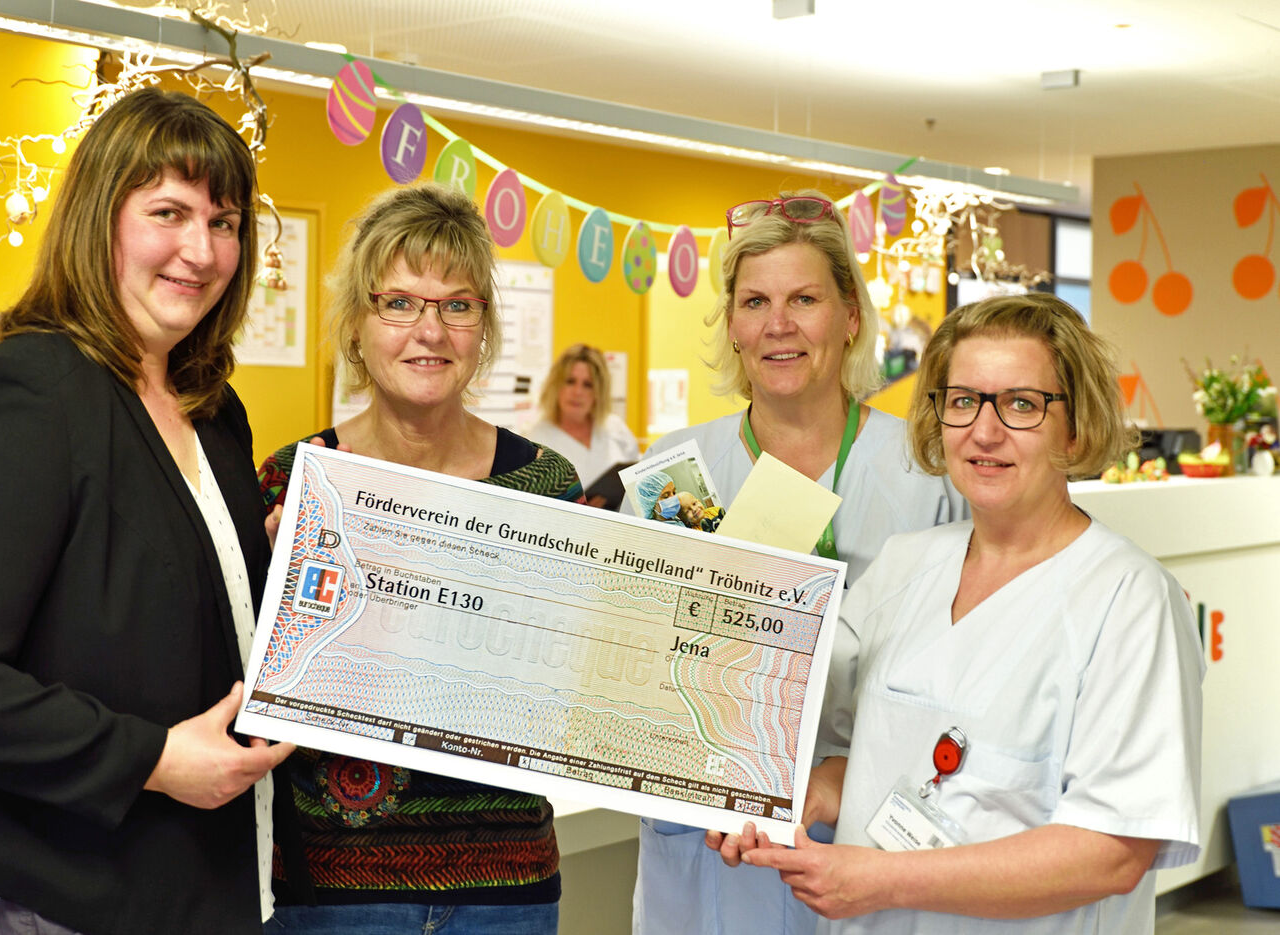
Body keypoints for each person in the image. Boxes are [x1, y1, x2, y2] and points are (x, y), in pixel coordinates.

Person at [0, 88, 293, 935]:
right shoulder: (26, 395)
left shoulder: (211, 409)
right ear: (96, 219)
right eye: (168, 212)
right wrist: (151, 759)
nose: (201, 249)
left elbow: (144, 596)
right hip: (47, 897)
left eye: (225, 223)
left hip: (196, 884)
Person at [740, 293, 1204, 934]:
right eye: (962, 401)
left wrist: (878, 881)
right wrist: (810, 792)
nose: (985, 432)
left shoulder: (1128, 601)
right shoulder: (904, 568)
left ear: (1075, 425)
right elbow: (870, 743)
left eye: (1021, 404)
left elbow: (1113, 852)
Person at [629, 191, 965, 935]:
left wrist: (840, 777)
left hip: (865, 831)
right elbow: (631, 662)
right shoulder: (675, 473)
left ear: (849, 316)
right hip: (709, 849)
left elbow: (964, 676)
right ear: (731, 325)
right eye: (754, 301)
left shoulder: (927, 472)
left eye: (803, 298)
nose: (777, 324)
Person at [255, 182, 582, 934]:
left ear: (482, 328)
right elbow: (242, 689)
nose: (428, 330)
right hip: (335, 895)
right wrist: (288, 603)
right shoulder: (291, 483)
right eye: (398, 302)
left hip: (509, 890)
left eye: (456, 305)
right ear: (357, 326)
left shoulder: (546, 486)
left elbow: (572, 694)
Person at [526, 343, 639, 505]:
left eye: (588, 385)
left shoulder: (615, 428)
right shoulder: (535, 438)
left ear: (598, 392)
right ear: (556, 385)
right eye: (570, 381)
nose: (577, 392)